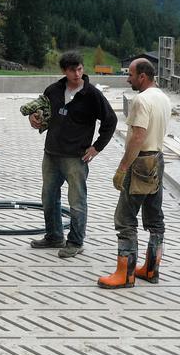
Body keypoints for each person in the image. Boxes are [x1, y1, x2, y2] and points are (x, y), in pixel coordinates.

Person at [28, 51, 117, 258]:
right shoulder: (53, 91)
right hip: (51, 154)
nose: (77, 74)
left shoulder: (92, 95)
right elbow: (42, 115)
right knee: (49, 197)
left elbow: (110, 121)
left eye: (79, 69)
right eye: (72, 70)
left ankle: (75, 241)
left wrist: (96, 147)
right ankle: (53, 236)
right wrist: (34, 119)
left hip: (76, 157)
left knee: (76, 202)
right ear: (64, 71)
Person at [98, 57, 172, 289]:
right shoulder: (163, 97)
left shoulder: (141, 100)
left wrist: (122, 168)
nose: (128, 78)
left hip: (140, 162)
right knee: (154, 218)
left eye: (130, 74)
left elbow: (138, 136)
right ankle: (151, 269)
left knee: (124, 218)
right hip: (157, 160)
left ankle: (125, 274)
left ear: (142, 76)